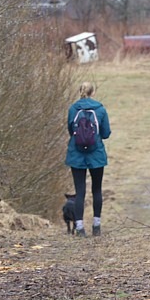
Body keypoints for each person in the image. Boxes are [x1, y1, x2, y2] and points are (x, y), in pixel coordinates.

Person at [65, 81, 111, 237]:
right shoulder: (100, 109)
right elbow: (105, 133)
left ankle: (79, 227)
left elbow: (71, 130)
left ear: (80, 92)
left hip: (76, 154)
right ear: (93, 93)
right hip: (96, 154)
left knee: (80, 191)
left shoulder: (73, 109)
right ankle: (96, 226)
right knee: (96, 189)